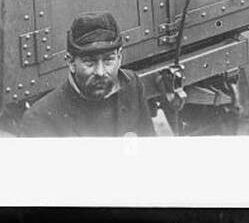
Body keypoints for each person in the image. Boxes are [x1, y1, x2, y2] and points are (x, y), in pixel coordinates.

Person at [19, 12, 155, 137]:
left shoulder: (133, 85)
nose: (100, 72)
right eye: (89, 62)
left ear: (119, 58)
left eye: (108, 60)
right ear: (71, 62)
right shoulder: (40, 118)